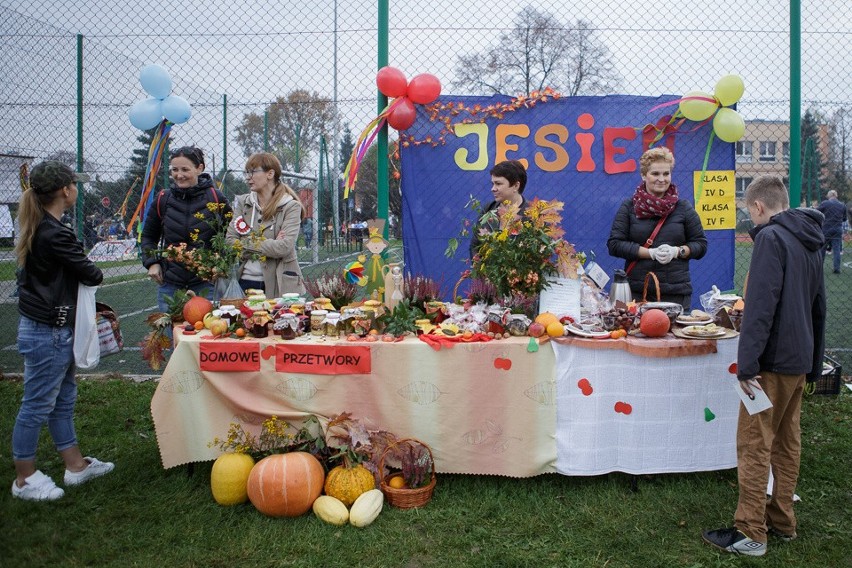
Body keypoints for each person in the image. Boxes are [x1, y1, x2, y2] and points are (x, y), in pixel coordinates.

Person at [702, 175, 826, 556]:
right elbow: (818, 307)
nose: (749, 218)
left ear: (757, 207)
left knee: (755, 444)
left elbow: (759, 309)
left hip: (770, 362)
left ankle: (750, 532)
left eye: (747, 212)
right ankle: (782, 520)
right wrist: (814, 362)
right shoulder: (811, 240)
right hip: (798, 359)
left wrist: (747, 363)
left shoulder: (770, 238)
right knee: (787, 442)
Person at [12, 161, 114, 501]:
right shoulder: (54, 232)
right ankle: (24, 479)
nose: (75, 189)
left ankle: (75, 466)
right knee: (37, 405)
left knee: (62, 401)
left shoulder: (39, 225)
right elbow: (92, 273)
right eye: (73, 184)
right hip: (48, 332)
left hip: (54, 329)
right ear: (65, 191)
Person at [607, 147, 707, 310]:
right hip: (637, 292)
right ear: (643, 175)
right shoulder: (629, 207)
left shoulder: (683, 207)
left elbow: (701, 245)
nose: (662, 179)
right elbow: (615, 244)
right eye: (655, 174)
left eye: (666, 173)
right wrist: (650, 253)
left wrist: (677, 251)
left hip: (675, 293)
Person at [140, 146, 230, 312]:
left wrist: (221, 264)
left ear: (199, 168)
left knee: (205, 334)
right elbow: (148, 237)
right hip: (171, 284)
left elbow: (230, 237)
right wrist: (151, 263)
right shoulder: (163, 199)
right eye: (174, 170)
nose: (179, 175)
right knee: (172, 335)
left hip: (206, 284)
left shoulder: (216, 198)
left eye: (185, 169)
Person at [225, 152, 305, 296]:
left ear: (270, 174)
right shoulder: (243, 203)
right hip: (245, 283)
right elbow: (230, 242)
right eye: (247, 172)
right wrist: (271, 244)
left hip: (281, 286)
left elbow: (284, 247)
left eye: (253, 172)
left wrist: (245, 242)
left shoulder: (291, 206)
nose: (248, 177)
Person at [469, 159, 528, 258]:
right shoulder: (488, 209)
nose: (493, 188)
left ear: (516, 186)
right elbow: (475, 246)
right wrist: (480, 269)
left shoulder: (532, 214)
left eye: (498, 184)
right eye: (493, 183)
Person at [816, 189, 846, 273]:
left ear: (829, 196)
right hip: (837, 229)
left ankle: (819, 268)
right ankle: (837, 268)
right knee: (836, 249)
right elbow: (844, 218)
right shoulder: (842, 205)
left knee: (822, 248)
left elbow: (817, 212)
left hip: (826, 228)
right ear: (836, 195)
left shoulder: (825, 203)